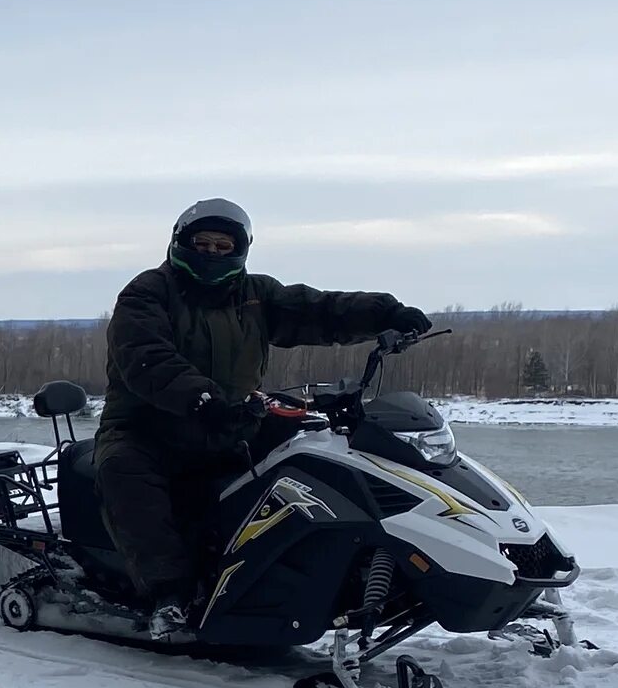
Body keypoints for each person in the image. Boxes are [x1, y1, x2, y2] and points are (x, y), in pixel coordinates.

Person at [96, 198, 427, 636]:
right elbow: (147, 359)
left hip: (231, 420)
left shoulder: (254, 296)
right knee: (127, 474)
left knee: (312, 458)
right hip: (149, 426)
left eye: (222, 245)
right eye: (203, 244)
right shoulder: (147, 293)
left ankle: (310, 576)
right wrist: (203, 400)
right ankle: (167, 595)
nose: (213, 253)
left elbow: (318, 309)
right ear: (181, 243)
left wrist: (385, 314)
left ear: (240, 249)